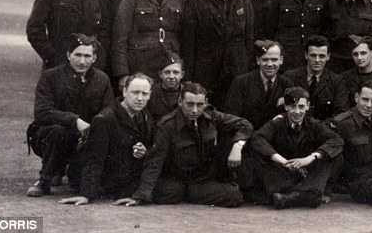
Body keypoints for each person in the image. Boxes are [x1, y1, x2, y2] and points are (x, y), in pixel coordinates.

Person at [116, 82, 251, 207]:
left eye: (199, 105)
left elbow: (245, 125)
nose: (194, 110)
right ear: (180, 102)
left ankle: (190, 195)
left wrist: (238, 145)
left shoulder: (212, 115)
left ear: (206, 103)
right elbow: (154, 162)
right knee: (174, 191)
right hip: (177, 179)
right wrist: (141, 196)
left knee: (234, 196)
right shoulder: (167, 125)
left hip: (202, 180)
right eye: (190, 104)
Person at [25, 35, 114, 197]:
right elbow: (42, 111)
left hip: (85, 138)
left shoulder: (102, 79)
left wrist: (93, 129)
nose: (82, 61)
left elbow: (108, 111)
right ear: (68, 55)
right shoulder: (51, 76)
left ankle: (68, 170)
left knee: (80, 183)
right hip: (50, 136)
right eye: (77, 55)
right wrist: (75, 121)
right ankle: (45, 179)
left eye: (87, 56)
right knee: (58, 131)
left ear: (94, 58)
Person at [59, 73, 155, 205]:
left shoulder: (144, 114)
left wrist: (145, 152)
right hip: (107, 177)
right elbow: (94, 158)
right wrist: (86, 195)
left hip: (125, 171)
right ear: (125, 92)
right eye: (135, 92)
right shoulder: (105, 119)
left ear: (150, 95)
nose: (140, 98)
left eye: (144, 94)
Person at [241, 87, 344, 208]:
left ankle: (289, 198)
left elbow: (336, 140)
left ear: (307, 106)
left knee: (334, 155)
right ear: (285, 106)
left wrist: (309, 159)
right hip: (283, 173)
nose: (297, 112)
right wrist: (282, 161)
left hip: (307, 174)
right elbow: (257, 138)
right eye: (292, 106)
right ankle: (306, 196)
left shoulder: (314, 124)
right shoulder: (277, 123)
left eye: (301, 107)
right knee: (257, 153)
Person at [181, 0, 255, 101]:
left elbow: (249, 38)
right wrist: (188, 76)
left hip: (237, 71)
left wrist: (248, 69)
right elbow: (189, 42)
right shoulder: (196, 1)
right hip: (207, 73)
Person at [111, 0, 186, 85]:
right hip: (141, 67)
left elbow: (185, 36)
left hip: (170, 68)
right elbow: (119, 38)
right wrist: (123, 75)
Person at [226, 40, 292, 129]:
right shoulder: (241, 83)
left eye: (274, 59)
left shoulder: (287, 84)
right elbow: (232, 118)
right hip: (247, 135)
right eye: (265, 59)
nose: (270, 64)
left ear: (281, 60)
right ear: (258, 60)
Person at [284, 35, 349, 121]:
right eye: (313, 55)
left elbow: (340, 113)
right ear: (306, 55)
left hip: (324, 130)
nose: (317, 60)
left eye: (322, 56)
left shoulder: (337, 81)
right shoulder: (290, 77)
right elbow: (283, 109)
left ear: (328, 56)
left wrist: (319, 129)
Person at [147, 53, 185, 121]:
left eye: (176, 72)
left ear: (182, 75)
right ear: (160, 74)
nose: (171, 77)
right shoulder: (151, 93)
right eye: (167, 72)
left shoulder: (187, 92)